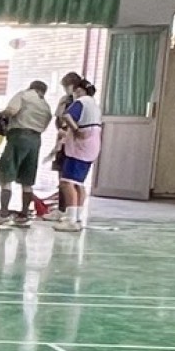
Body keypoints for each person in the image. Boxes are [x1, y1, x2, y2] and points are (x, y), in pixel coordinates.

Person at [0, 80, 54, 227]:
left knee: (6, 175)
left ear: (31, 87)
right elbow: (46, 124)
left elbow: (11, 111)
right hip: (35, 140)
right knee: (27, 180)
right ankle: (24, 215)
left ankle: (3, 214)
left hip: (18, 136)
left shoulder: (24, 95)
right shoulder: (45, 105)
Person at [55, 73, 103, 232]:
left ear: (79, 90)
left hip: (80, 147)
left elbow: (67, 116)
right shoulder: (94, 104)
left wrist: (75, 130)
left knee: (67, 182)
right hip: (92, 146)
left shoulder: (81, 102)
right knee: (79, 183)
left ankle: (70, 220)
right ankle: (76, 217)